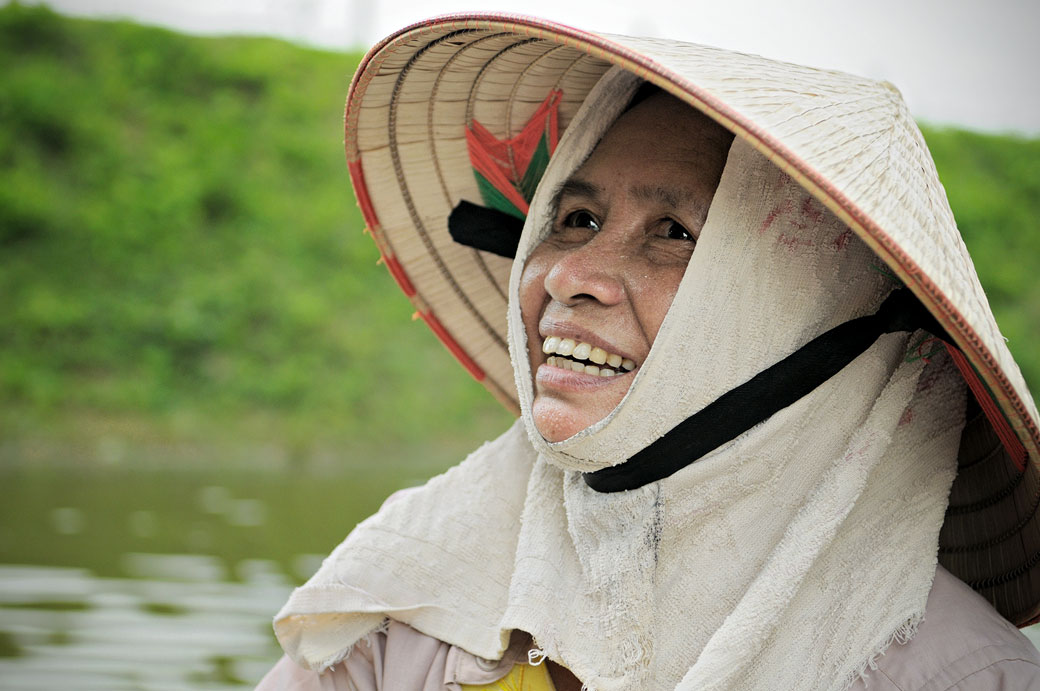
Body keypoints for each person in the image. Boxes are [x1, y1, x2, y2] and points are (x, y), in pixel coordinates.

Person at [259, 13, 1040, 691]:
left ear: (815, 312)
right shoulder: (408, 597)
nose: (569, 276)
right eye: (575, 218)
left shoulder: (962, 676)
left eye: (674, 234)